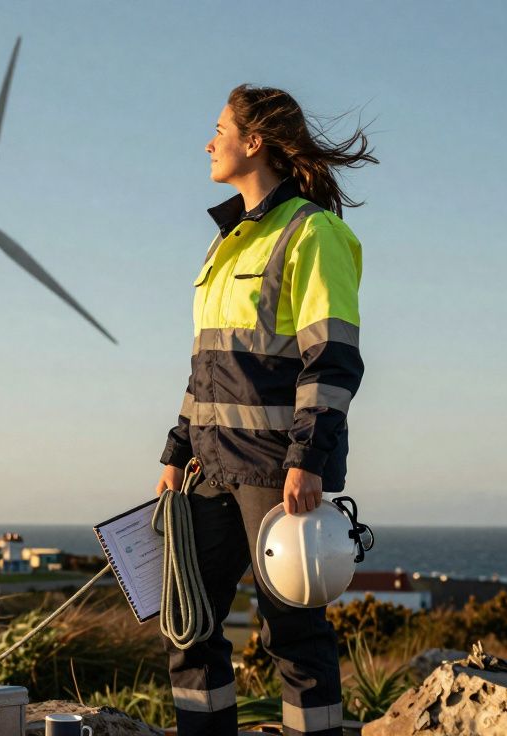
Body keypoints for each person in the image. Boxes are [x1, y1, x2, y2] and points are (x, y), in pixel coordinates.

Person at [155, 84, 377, 736]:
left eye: (219, 128)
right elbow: (209, 367)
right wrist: (176, 451)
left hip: (276, 475)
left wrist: (307, 461)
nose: (208, 141)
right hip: (210, 468)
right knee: (187, 622)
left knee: (296, 634)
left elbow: (331, 362)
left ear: (254, 141)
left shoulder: (313, 233)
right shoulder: (227, 244)